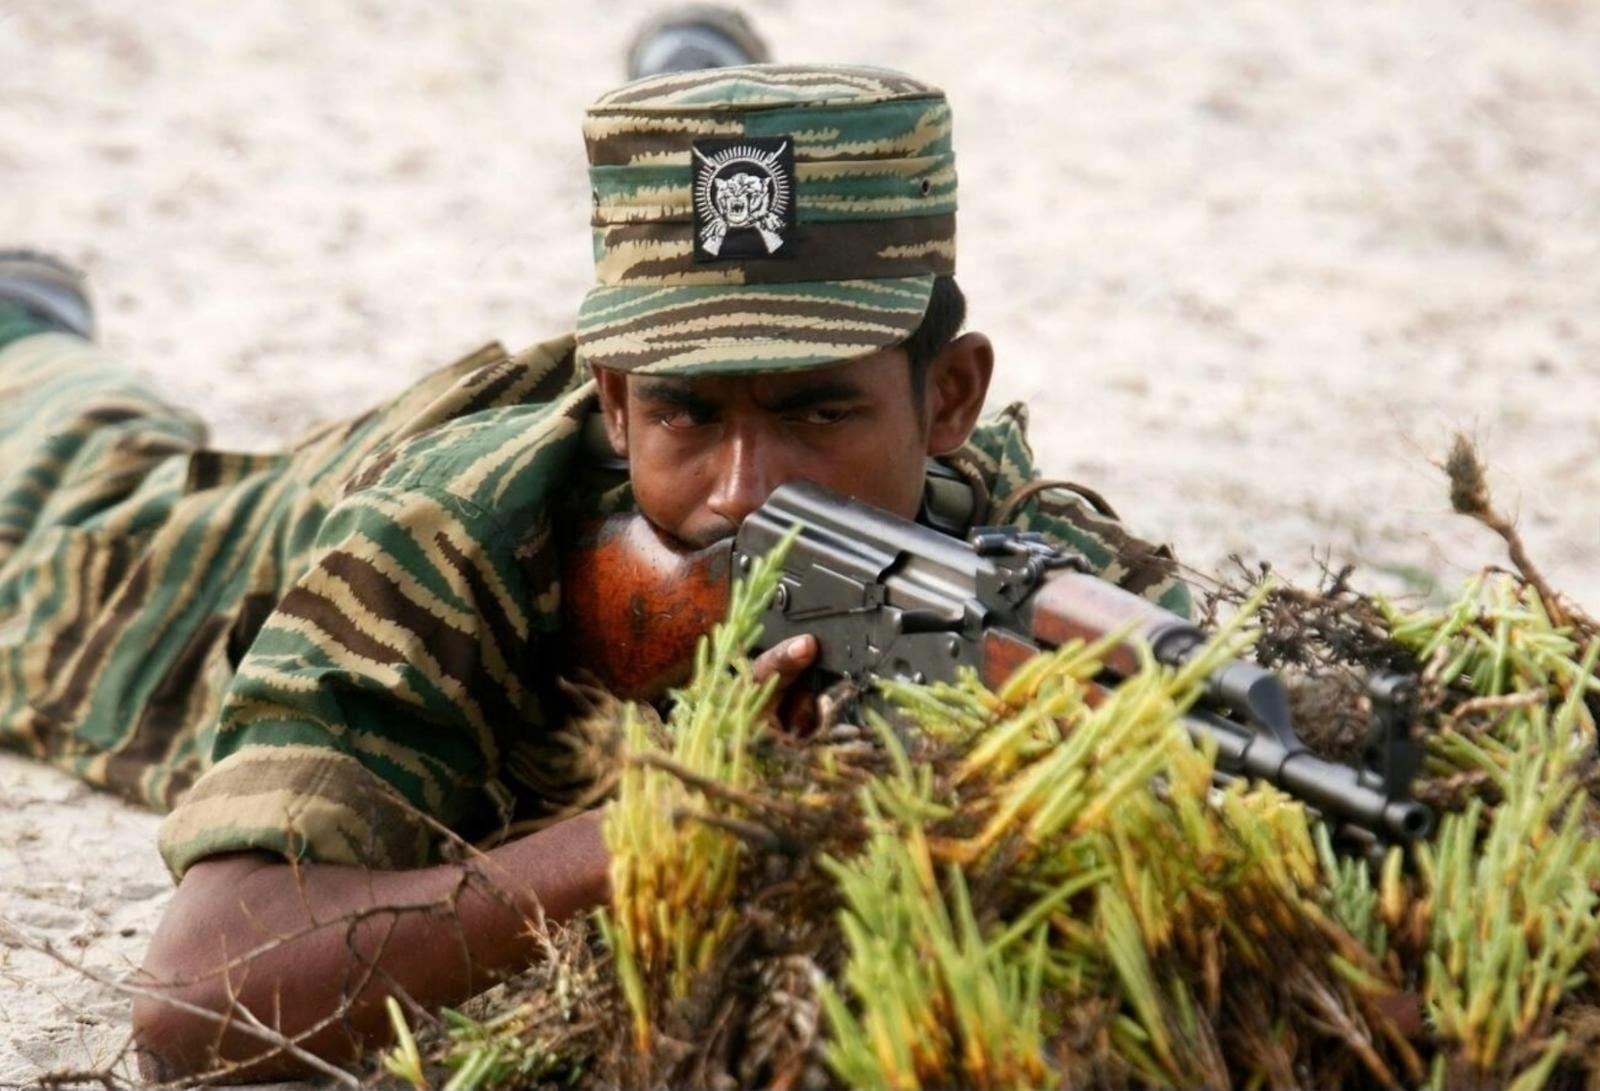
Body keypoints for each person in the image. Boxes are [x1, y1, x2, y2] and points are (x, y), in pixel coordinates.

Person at [0, 61, 1189, 1080]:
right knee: (81, 498)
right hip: (262, 550)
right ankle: (28, 326)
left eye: (819, 410)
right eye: (689, 413)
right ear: (613, 399)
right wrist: (682, 818)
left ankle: (699, 52)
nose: (743, 488)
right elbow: (198, 999)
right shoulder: (445, 533)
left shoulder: (1053, 577)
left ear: (948, 397)